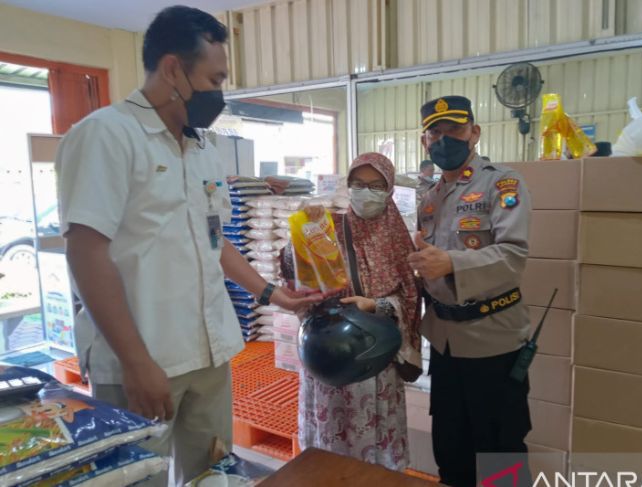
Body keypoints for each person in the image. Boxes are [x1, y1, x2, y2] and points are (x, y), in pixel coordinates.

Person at [56, 6, 319, 485]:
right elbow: (86, 252)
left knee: (212, 474)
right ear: (173, 68)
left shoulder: (202, 149)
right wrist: (137, 363)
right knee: (140, 477)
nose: (219, 93)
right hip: (143, 359)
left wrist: (272, 296)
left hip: (209, 354)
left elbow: (215, 243)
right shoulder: (107, 135)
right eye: (214, 78)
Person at [406, 96, 533, 487]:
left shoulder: (502, 183)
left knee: (500, 450)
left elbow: (514, 255)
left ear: (474, 133)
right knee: (451, 444)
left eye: (455, 130)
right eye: (436, 133)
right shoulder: (429, 200)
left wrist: (451, 263)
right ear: (425, 142)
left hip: (493, 339)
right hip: (445, 343)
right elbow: (428, 267)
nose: (445, 139)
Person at [282, 152, 422, 471]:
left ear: (388, 189)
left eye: (376, 185)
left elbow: (411, 300)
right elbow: (295, 279)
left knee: (375, 457)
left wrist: (374, 305)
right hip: (330, 355)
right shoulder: (328, 228)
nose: (366, 192)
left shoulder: (398, 239)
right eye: (358, 184)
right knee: (330, 453)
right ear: (348, 186)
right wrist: (303, 231)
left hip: (374, 361)